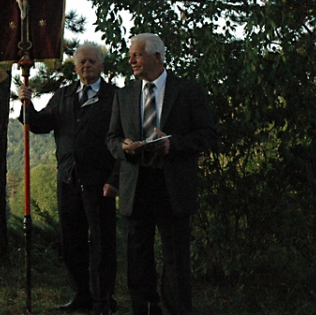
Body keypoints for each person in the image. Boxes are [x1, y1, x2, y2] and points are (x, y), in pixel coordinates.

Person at [106, 33, 217, 315]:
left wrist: (174, 143)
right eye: (131, 55)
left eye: (137, 55)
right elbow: (111, 138)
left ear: (157, 57)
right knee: (137, 255)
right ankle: (143, 308)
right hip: (136, 183)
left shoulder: (188, 91)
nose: (131, 60)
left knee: (176, 257)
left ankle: (175, 310)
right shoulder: (124, 94)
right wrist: (124, 147)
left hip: (173, 185)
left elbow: (207, 134)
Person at [18, 43, 119, 315]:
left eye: (92, 62)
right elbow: (38, 124)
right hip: (68, 180)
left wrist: (115, 178)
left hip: (101, 183)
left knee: (102, 244)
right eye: (82, 62)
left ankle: (103, 299)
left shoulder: (115, 97)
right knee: (71, 243)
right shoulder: (63, 96)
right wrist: (26, 103)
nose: (86, 66)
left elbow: (122, 140)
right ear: (75, 68)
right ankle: (82, 296)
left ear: (102, 66)